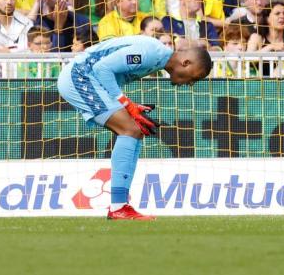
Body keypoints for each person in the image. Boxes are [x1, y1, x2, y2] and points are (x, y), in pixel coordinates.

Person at [57, 35, 212, 220]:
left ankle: (120, 206)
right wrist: (126, 103)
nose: (191, 83)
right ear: (186, 62)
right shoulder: (151, 53)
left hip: (88, 80)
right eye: (194, 77)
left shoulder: (157, 59)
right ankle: (118, 207)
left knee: (135, 131)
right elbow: (102, 68)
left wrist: (127, 104)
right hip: (80, 77)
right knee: (130, 130)